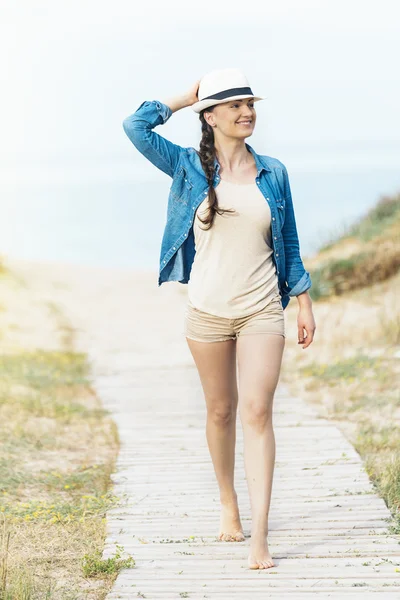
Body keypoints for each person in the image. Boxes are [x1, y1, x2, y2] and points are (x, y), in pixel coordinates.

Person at [122, 67, 316, 570]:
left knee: (256, 412)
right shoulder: (186, 166)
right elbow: (135, 127)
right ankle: (228, 503)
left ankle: (260, 536)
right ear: (211, 116)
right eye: (234, 105)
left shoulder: (274, 172)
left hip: (260, 308)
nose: (247, 112)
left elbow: (289, 241)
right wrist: (186, 97)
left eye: (250, 103)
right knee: (220, 412)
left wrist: (303, 301)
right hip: (207, 310)